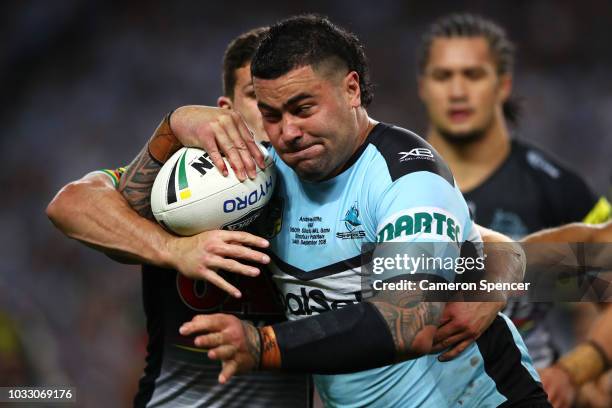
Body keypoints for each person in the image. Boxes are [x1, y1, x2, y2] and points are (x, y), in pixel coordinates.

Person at [124, 15, 549, 407]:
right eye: (271, 115)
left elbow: (410, 324)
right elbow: (121, 209)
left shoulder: (409, 176)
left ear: (351, 89)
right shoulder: (263, 173)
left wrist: (262, 345)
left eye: (303, 108)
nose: (288, 132)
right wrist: (172, 127)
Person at [47, 28, 313, 408]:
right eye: (257, 97)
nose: (274, 112)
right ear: (225, 111)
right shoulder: (183, 184)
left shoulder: (325, 186)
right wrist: (174, 248)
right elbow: (68, 205)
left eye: (287, 97)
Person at [415, 12, 611, 406]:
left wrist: (576, 372)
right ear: (423, 86)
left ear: (502, 84)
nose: (457, 91)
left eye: (472, 75)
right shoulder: (390, 181)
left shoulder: (557, 187)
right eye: (443, 76)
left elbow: (604, 290)